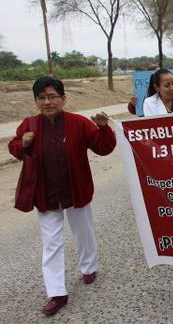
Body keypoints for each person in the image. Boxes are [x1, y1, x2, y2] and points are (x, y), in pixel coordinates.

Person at [8, 76, 116, 316]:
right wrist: (23, 143)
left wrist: (103, 128)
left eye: (52, 96)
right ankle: (57, 293)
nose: (47, 102)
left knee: (83, 232)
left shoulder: (79, 123)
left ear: (63, 98)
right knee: (51, 244)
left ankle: (89, 268)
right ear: (36, 101)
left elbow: (104, 147)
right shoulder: (29, 124)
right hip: (45, 193)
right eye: (41, 98)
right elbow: (15, 148)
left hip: (76, 189)